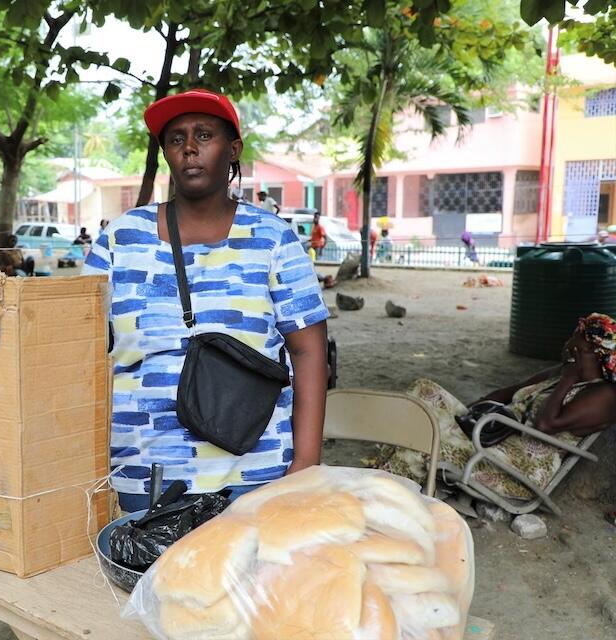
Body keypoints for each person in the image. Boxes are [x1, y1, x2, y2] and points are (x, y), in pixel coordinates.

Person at [82, 89, 330, 513]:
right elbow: (78, 350)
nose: (190, 148)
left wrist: (305, 463)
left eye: (204, 135)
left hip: (254, 479)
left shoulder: (273, 239)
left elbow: (308, 351)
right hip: (141, 476)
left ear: (233, 150)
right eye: (176, 139)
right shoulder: (119, 239)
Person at [375, 313, 616, 501]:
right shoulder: (563, 371)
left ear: (589, 349)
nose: (567, 341)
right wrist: (463, 413)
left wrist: (569, 378)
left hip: (519, 464)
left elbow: (546, 425)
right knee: (423, 390)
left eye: (574, 335)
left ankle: (382, 494)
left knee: (427, 443)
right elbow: (509, 392)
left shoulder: (603, 395)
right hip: (495, 433)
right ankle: (381, 471)